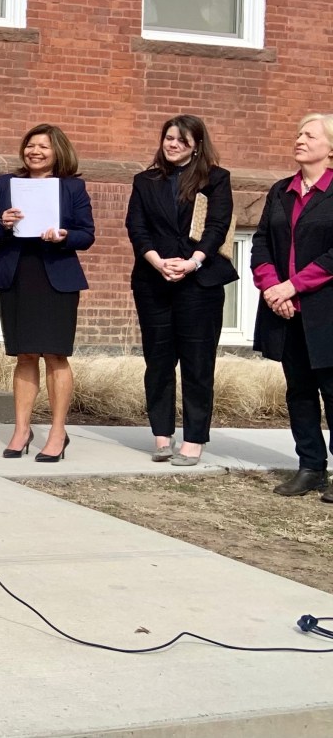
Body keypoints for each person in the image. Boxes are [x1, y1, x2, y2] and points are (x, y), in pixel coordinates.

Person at [126, 115, 238, 467]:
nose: (173, 144)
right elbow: (136, 226)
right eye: (169, 138)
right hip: (153, 280)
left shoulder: (216, 179)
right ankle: (162, 435)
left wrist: (192, 262)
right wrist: (157, 261)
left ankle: (193, 439)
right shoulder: (145, 181)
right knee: (158, 362)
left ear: (197, 145)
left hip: (199, 283)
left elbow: (218, 226)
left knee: (197, 363)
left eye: (182, 140)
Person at [0, 124, 94, 462]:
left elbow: (87, 235)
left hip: (56, 277)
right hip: (17, 275)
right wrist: (2, 221)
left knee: (55, 355)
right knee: (25, 355)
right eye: (30, 145)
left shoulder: (72, 187)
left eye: (43, 146)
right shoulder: (5, 184)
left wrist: (63, 235)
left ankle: (58, 432)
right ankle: (22, 429)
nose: (35, 151)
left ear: (58, 151)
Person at [251, 113, 333, 501]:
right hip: (285, 310)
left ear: (330, 148)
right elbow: (261, 243)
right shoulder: (279, 190)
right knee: (298, 391)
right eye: (298, 133)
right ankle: (311, 468)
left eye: (309, 135)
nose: (299, 139)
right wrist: (272, 290)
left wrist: (293, 287)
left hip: (325, 312)